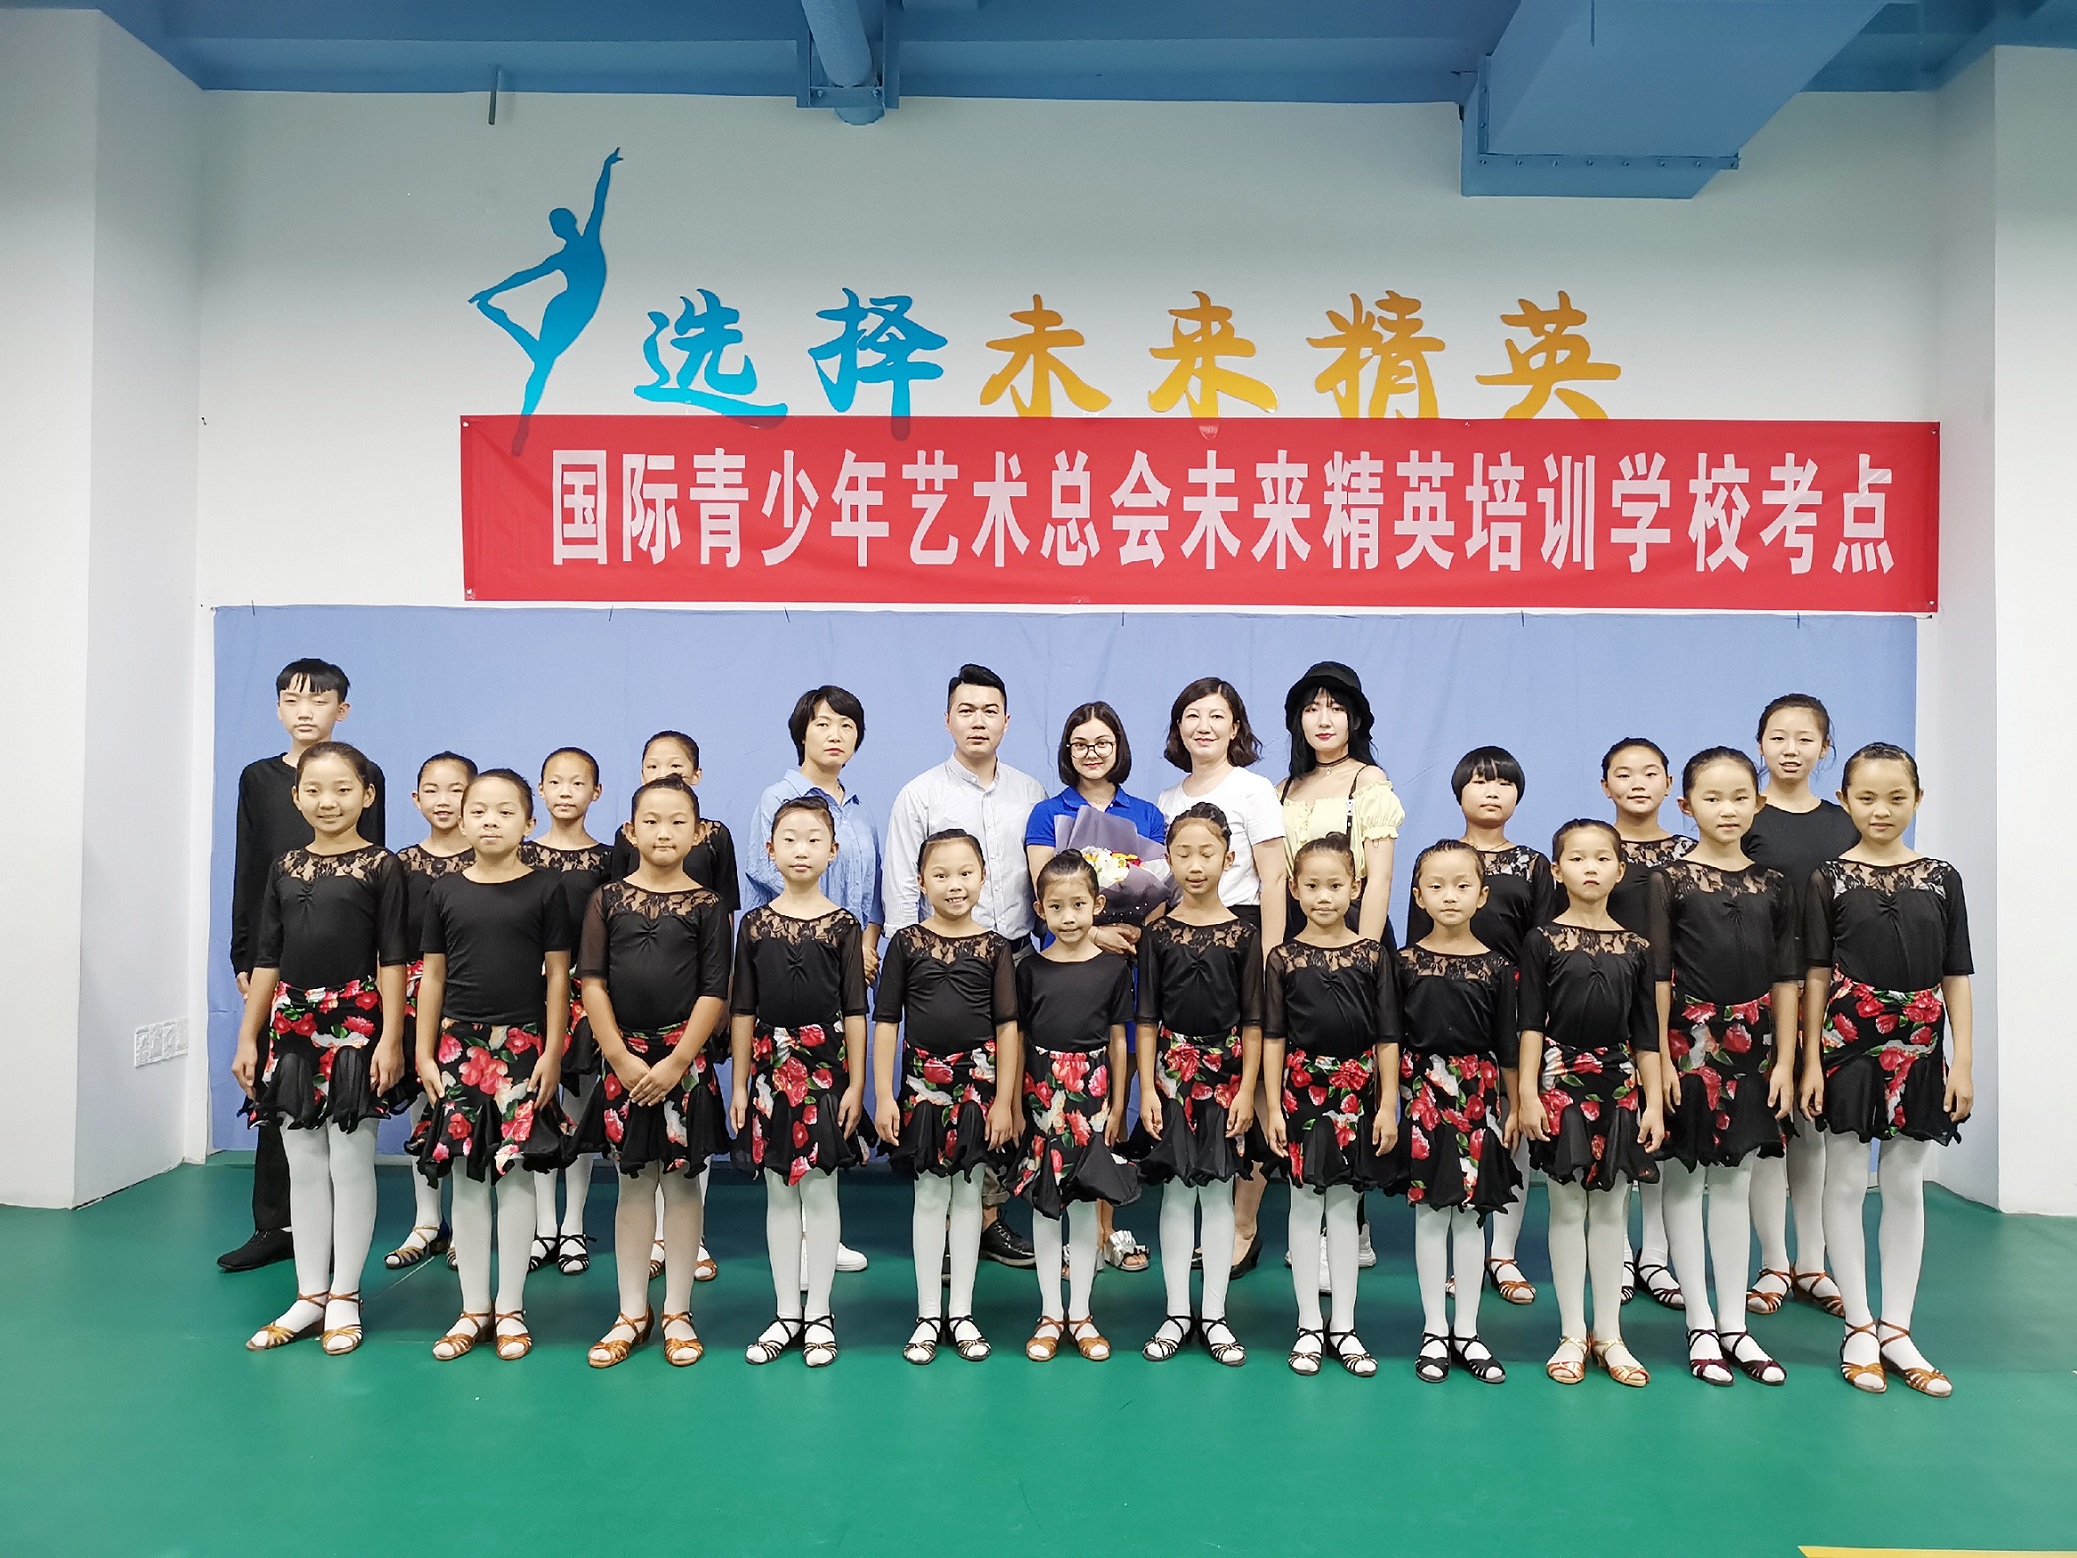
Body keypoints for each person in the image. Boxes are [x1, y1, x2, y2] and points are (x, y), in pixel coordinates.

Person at [1801, 743, 1972, 1397]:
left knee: (1903, 1183)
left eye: (1896, 797)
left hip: (1922, 1050)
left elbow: (1956, 973)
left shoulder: (1941, 877)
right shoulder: (1829, 878)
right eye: (1867, 797)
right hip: (1846, 1046)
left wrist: (1962, 1061)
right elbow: (1816, 973)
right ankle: (1858, 1325)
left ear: (1917, 800)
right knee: (1845, 1179)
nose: (1881, 809)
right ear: (1844, 801)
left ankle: (1897, 1328)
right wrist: (1811, 1060)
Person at [232, 743, 409, 1356]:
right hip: (292, 1026)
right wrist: (248, 1035)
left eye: (342, 789)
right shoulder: (285, 866)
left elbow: (394, 958)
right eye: (314, 789)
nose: (327, 801)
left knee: (350, 1162)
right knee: (303, 1165)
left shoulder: (382, 867)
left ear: (367, 795)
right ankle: (309, 1294)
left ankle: (345, 1295)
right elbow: (268, 956)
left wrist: (391, 1037)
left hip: (357, 1024)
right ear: (296, 796)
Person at [222, 658, 388, 1274]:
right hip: (278, 960)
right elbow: (248, 868)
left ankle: (335, 1241)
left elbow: (370, 875)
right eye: (292, 700)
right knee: (279, 1092)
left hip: (347, 974)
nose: (304, 711)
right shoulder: (258, 778)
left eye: (318, 701)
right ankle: (275, 1223)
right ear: (277, 710)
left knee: (341, 1109)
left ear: (341, 710)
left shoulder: (361, 773)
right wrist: (245, 952)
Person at [883, 664, 1046, 1271]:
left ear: (1007, 720)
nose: (978, 721)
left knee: (1003, 1093)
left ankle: (987, 1220)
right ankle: (944, 1224)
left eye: (989, 711)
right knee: (938, 1089)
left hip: (1015, 955)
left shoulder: (1030, 792)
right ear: (948, 719)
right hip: (937, 962)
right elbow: (902, 887)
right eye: (966, 710)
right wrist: (909, 964)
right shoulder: (919, 794)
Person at [1650, 749, 1799, 1387]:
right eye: (1711, 798)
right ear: (1687, 806)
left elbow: (1787, 978)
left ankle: (1735, 1324)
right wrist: (1659, 1059)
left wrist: (1786, 1059)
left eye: (1740, 796)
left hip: (1755, 1047)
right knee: (1686, 1180)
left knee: (1737, 1183)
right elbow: (1657, 976)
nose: (1727, 809)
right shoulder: (1669, 881)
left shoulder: (1774, 884)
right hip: (1688, 1046)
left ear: (1758, 803)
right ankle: (1700, 1323)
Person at [414, 770, 573, 1363]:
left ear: (528, 822)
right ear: (462, 817)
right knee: (467, 1176)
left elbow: (558, 975)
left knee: (516, 1176)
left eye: (505, 811)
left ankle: (510, 1307)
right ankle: (472, 1308)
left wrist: (552, 1049)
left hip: (524, 1047)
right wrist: (424, 1051)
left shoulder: (547, 888)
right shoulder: (444, 890)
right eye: (478, 809)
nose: (490, 821)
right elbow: (432, 976)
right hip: (458, 1048)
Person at [576, 775, 732, 1369]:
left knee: (683, 1185)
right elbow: (592, 981)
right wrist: (619, 1057)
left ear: (698, 833)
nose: (664, 833)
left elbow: (714, 989)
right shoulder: (606, 899)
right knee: (633, 1183)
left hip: (681, 1064)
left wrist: (678, 1060)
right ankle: (630, 1311)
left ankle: (677, 1312)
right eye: (651, 821)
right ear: (630, 830)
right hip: (626, 1061)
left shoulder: (708, 906)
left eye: (677, 822)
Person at [1405, 746, 1560, 1308]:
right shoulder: (1437, 861)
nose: (1491, 791)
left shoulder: (1533, 865)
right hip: (1447, 1011)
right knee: (1449, 1134)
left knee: (1508, 1125)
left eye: (1504, 783)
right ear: (1458, 793)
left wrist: (1533, 1011)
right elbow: (1416, 944)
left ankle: (1502, 1252)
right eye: (1479, 782)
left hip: (1511, 1009)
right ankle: (1455, 1255)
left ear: (1518, 795)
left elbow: (1544, 945)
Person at [1517, 819, 1666, 1389]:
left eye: (1602, 858)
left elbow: (1646, 1033)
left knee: (1610, 1209)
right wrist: (1528, 1093)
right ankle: (1571, 1333)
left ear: (1619, 870)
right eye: (1577, 859)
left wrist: (1653, 1102)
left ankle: (1610, 1334)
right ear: (1558, 871)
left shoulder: (1637, 947)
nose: (1590, 868)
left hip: (1619, 1086)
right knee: (1566, 1208)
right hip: (1559, 1085)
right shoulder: (1543, 940)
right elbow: (1530, 1024)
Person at [1024, 699, 1168, 1274]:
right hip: (1070, 963)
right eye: (1080, 743)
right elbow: (1046, 890)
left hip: (1128, 964)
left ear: (1119, 748)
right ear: (1068, 750)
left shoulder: (1147, 814)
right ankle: (1067, 1222)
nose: (1092, 752)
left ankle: (1108, 1226)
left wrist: (1128, 932)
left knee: (1115, 1092)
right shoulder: (1046, 813)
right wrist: (1094, 932)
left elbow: (1160, 890)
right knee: (1064, 1107)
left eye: (1102, 742)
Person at [747, 687, 883, 1276]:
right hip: (793, 963)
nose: (835, 735)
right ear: (801, 730)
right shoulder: (776, 799)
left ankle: (825, 1235)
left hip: (848, 959)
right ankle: (796, 1240)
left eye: (847, 726)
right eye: (823, 723)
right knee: (787, 1102)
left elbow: (873, 892)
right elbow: (763, 881)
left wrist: (865, 947)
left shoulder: (859, 809)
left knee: (831, 1098)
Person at [1277, 661, 1405, 1287]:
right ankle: (1308, 1222)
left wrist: (1364, 954)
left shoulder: (1367, 781)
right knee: (1303, 1077)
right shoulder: (1283, 787)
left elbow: (1378, 876)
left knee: (1356, 1078)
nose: (1323, 719)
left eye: (1335, 707)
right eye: (1311, 708)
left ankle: (1351, 1224)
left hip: (1354, 940)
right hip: (1299, 941)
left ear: (1355, 717)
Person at [1155, 676, 1287, 1279]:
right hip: (1184, 940)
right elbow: (1160, 882)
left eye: (1216, 715)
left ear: (1236, 727)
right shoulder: (1165, 798)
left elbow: (1274, 876)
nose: (1203, 726)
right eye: (1192, 715)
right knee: (1191, 1075)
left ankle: (1242, 1222)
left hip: (1244, 937)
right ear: (1178, 728)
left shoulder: (1253, 789)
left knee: (1249, 1079)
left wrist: (1271, 957)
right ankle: (1194, 1204)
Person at [872, 830, 1019, 1365]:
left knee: (969, 1194)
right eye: (941, 875)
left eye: (965, 873)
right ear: (920, 882)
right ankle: (927, 1314)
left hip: (979, 1086)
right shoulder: (906, 943)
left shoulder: (995, 948)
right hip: (921, 1086)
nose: (954, 885)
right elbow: (886, 1021)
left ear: (983, 877)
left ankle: (962, 1312)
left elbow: (1008, 1027)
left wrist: (1004, 1100)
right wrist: (884, 1095)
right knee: (930, 1196)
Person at [731, 796, 869, 1369]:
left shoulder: (844, 926)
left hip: (826, 1070)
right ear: (770, 849)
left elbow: (855, 1011)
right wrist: (741, 1085)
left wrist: (856, 1085)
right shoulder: (754, 925)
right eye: (788, 839)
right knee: (779, 1192)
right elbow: (742, 1008)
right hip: (769, 1070)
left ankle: (820, 1314)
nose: (801, 850)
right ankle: (787, 1311)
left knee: (820, 1189)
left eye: (813, 839)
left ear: (832, 851)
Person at [1262, 834, 1400, 1379]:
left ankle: (1343, 1324)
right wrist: (1273, 1107)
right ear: (1295, 890)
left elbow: (1388, 1036)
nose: (1324, 896)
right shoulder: (1283, 959)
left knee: (1344, 1207)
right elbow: (1274, 1036)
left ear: (1355, 888)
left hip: (1357, 1094)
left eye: (1335, 885)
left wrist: (1387, 1103)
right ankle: (1307, 1324)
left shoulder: (1372, 956)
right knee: (1303, 1206)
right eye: (1313, 886)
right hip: (1301, 1094)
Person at [1129, 803, 1262, 1367]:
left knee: (1218, 1193)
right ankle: (1176, 1312)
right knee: (1178, 1192)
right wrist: (1147, 1089)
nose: (1195, 864)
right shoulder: (1158, 934)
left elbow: (1254, 1021)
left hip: (1227, 1077)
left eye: (1207, 853)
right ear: (1169, 859)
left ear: (1228, 858)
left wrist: (1247, 1089)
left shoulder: (1244, 935)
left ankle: (1215, 1315)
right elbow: (1145, 1017)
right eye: (1183, 853)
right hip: (1172, 1075)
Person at [1385, 840, 1521, 1385]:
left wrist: (1514, 1105)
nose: (1449, 896)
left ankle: (1468, 1329)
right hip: (1422, 1098)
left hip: (1478, 1099)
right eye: (1436, 886)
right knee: (1431, 1213)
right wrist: (1391, 1103)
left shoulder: (1497, 967)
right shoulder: (1403, 964)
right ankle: (1434, 1330)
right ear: (1418, 896)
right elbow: (1390, 1038)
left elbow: (1507, 1046)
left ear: (1482, 895)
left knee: (1471, 1216)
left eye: (1462, 885)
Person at [606, 729, 739, 1282]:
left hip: (693, 1017)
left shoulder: (714, 841)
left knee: (688, 1146)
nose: (666, 772)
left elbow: (725, 918)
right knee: (637, 1161)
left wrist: (723, 1000)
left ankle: (687, 1238)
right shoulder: (617, 875)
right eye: (654, 764)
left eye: (677, 765)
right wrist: (617, 1051)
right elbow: (602, 961)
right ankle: (650, 1248)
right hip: (630, 1037)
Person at [1743, 693, 1860, 1319]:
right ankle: (1772, 1261)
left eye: (1805, 738)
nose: (1791, 750)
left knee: (1813, 1126)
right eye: (1778, 737)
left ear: (1825, 747)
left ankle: (1812, 1262)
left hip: (1830, 991)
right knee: (1771, 1128)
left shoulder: (1845, 823)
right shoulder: (1744, 815)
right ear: (1760, 743)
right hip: (1757, 990)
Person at [1012, 851, 1141, 1363]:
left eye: (1078, 905)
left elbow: (1119, 1041)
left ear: (1098, 905)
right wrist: (1017, 1103)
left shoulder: (1113, 969)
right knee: (1046, 1203)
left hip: (1094, 1095)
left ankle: (1082, 1313)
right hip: (1042, 1095)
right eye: (1056, 907)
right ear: (1040, 910)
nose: (1068, 917)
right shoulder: (1030, 970)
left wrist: (1118, 1104)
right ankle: (1050, 1313)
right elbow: (1019, 1040)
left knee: (1086, 1204)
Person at [1601, 736, 1692, 1309]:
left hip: (1677, 1003)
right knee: (1619, 1122)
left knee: (1666, 1125)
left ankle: (1655, 1254)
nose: (1637, 782)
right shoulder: (1593, 847)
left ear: (1669, 785)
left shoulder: (1689, 851)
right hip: (1608, 1000)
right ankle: (1615, 1254)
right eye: (1624, 772)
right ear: (1605, 785)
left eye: (1650, 772)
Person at [521, 747, 611, 1277]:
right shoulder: (522, 853)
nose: (565, 792)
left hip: (586, 997)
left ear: (595, 793)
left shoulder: (608, 860)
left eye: (577, 783)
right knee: (536, 1107)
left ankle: (573, 1223)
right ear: (540, 789)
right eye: (555, 782)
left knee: (577, 1108)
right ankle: (542, 1225)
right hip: (528, 995)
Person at [386, 751, 474, 1271]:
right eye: (433, 790)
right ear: (415, 798)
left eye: (456, 789)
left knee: (465, 1110)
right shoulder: (400, 865)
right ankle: (425, 1221)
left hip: (474, 1000)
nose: (444, 801)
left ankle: (466, 1224)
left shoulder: (491, 859)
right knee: (424, 1105)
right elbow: (390, 946)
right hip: (417, 1000)